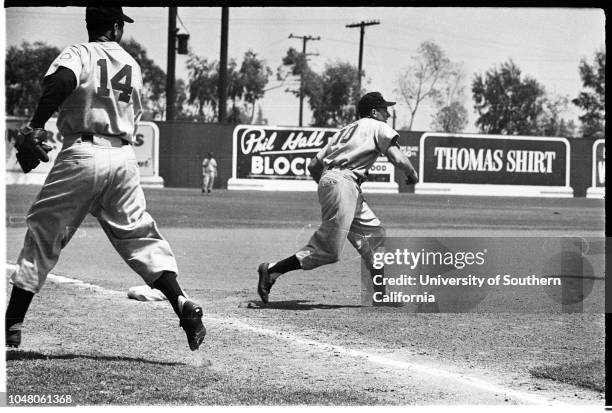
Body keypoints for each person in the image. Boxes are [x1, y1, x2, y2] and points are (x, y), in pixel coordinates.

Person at [5, 7, 206, 351]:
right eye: (121, 25)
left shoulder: (80, 52)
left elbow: (62, 81)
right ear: (115, 27)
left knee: (45, 231)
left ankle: (12, 322)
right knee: (139, 236)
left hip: (83, 152)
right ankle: (182, 303)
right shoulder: (132, 64)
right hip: (124, 157)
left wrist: (37, 122)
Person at [257, 92, 419, 305]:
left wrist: (329, 184)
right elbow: (396, 157)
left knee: (375, 235)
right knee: (329, 251)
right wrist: (411, 174)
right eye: (384, 110)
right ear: (374, 112)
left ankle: (380, 295)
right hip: (344, 183)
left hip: (341, 184)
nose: (387, 114)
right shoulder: (377, 126)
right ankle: (271, 270)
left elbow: (314, 166)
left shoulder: (344, 131)